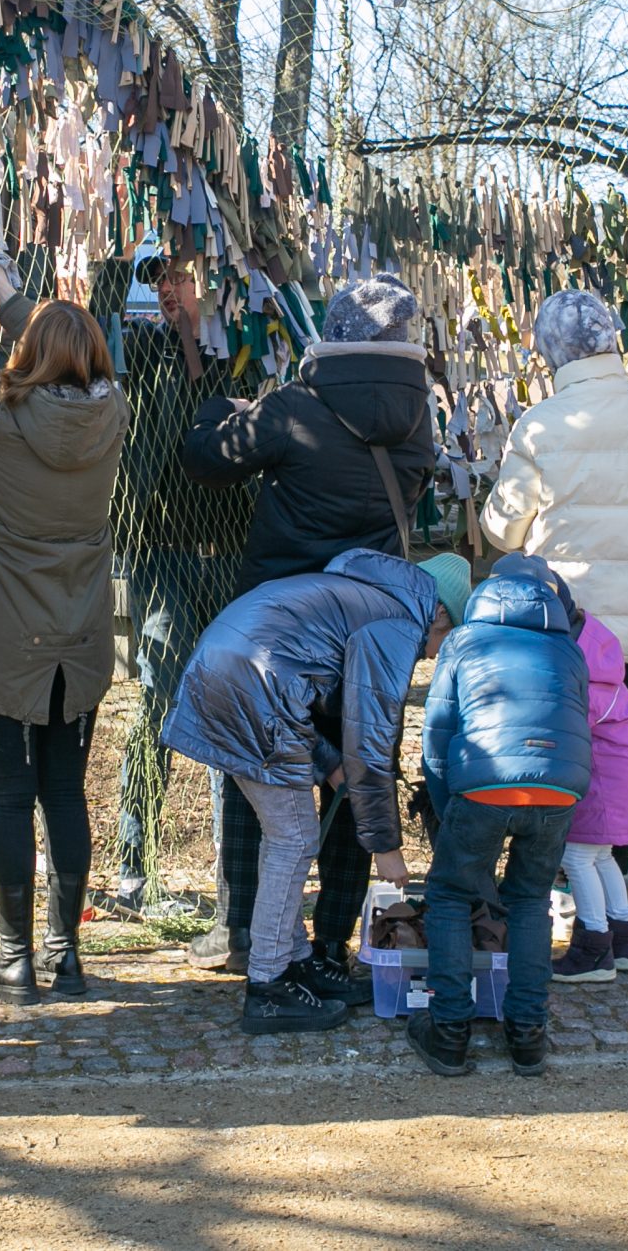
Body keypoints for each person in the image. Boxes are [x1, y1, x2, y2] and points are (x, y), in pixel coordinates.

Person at [178, 272, 439, 975]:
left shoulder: (294, 406)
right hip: (367, 626)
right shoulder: (420, 417)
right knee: (358, 767)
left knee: (258, 766)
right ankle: (331, 940)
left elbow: (205, 460)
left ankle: (246, 928)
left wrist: (220, 410)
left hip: (277, 627)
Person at [0, 232, 127, 1002]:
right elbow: (59, 352)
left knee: (9, 796)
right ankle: (65, 955)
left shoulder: (1, 413)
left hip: (4, 641)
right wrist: (11, 298)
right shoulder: (114, 413)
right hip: (79, 638)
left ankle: (17, 960)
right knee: (66, 793)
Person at [162, 547, 469, 1034]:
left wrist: (329, 765)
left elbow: (298, 682)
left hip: (225, 668)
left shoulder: (369, 596)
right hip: (253, 685)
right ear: (439, 615)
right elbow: (369, 741)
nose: (434, 655)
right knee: (293, 839)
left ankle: (295, 961)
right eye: (443, 641)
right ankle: (268, 986)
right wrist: (386, 848)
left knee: (285, 836)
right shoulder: (397, 622)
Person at [479, 287, 628, 911]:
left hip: (560, 623)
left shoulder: (542, 423)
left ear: (551, 351)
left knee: (552, 745)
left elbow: (504, 530)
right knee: (616, 743)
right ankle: (614, 874)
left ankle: (552, 878)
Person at [107, 251, 256, 910]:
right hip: (163, 555)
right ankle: (135, 869)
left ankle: (234, 867)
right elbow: (99, 330)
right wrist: (117, 263)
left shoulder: (245, 354)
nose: (167, 289)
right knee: (157, 706)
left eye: (179, 276)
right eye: (158, 280)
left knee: (233, 709)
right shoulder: (144, 351)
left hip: (231, 558)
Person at [410, 554, 594, 1078]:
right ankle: (528, 1035)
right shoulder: (569, 649)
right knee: (530, 900)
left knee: (450, 895)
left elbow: (438, 733)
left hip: (485, 783)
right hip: (558, 790)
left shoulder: (465, 641)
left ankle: (449, 1030)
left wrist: (446, 805)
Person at [549, 597, 628, 984]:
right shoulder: (605, 678)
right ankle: (623, 940)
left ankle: (593, 948)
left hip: (605, 790)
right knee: (602, 857)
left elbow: (565, 732)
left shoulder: (585, 689)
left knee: (576, 857)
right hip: (621, 786)